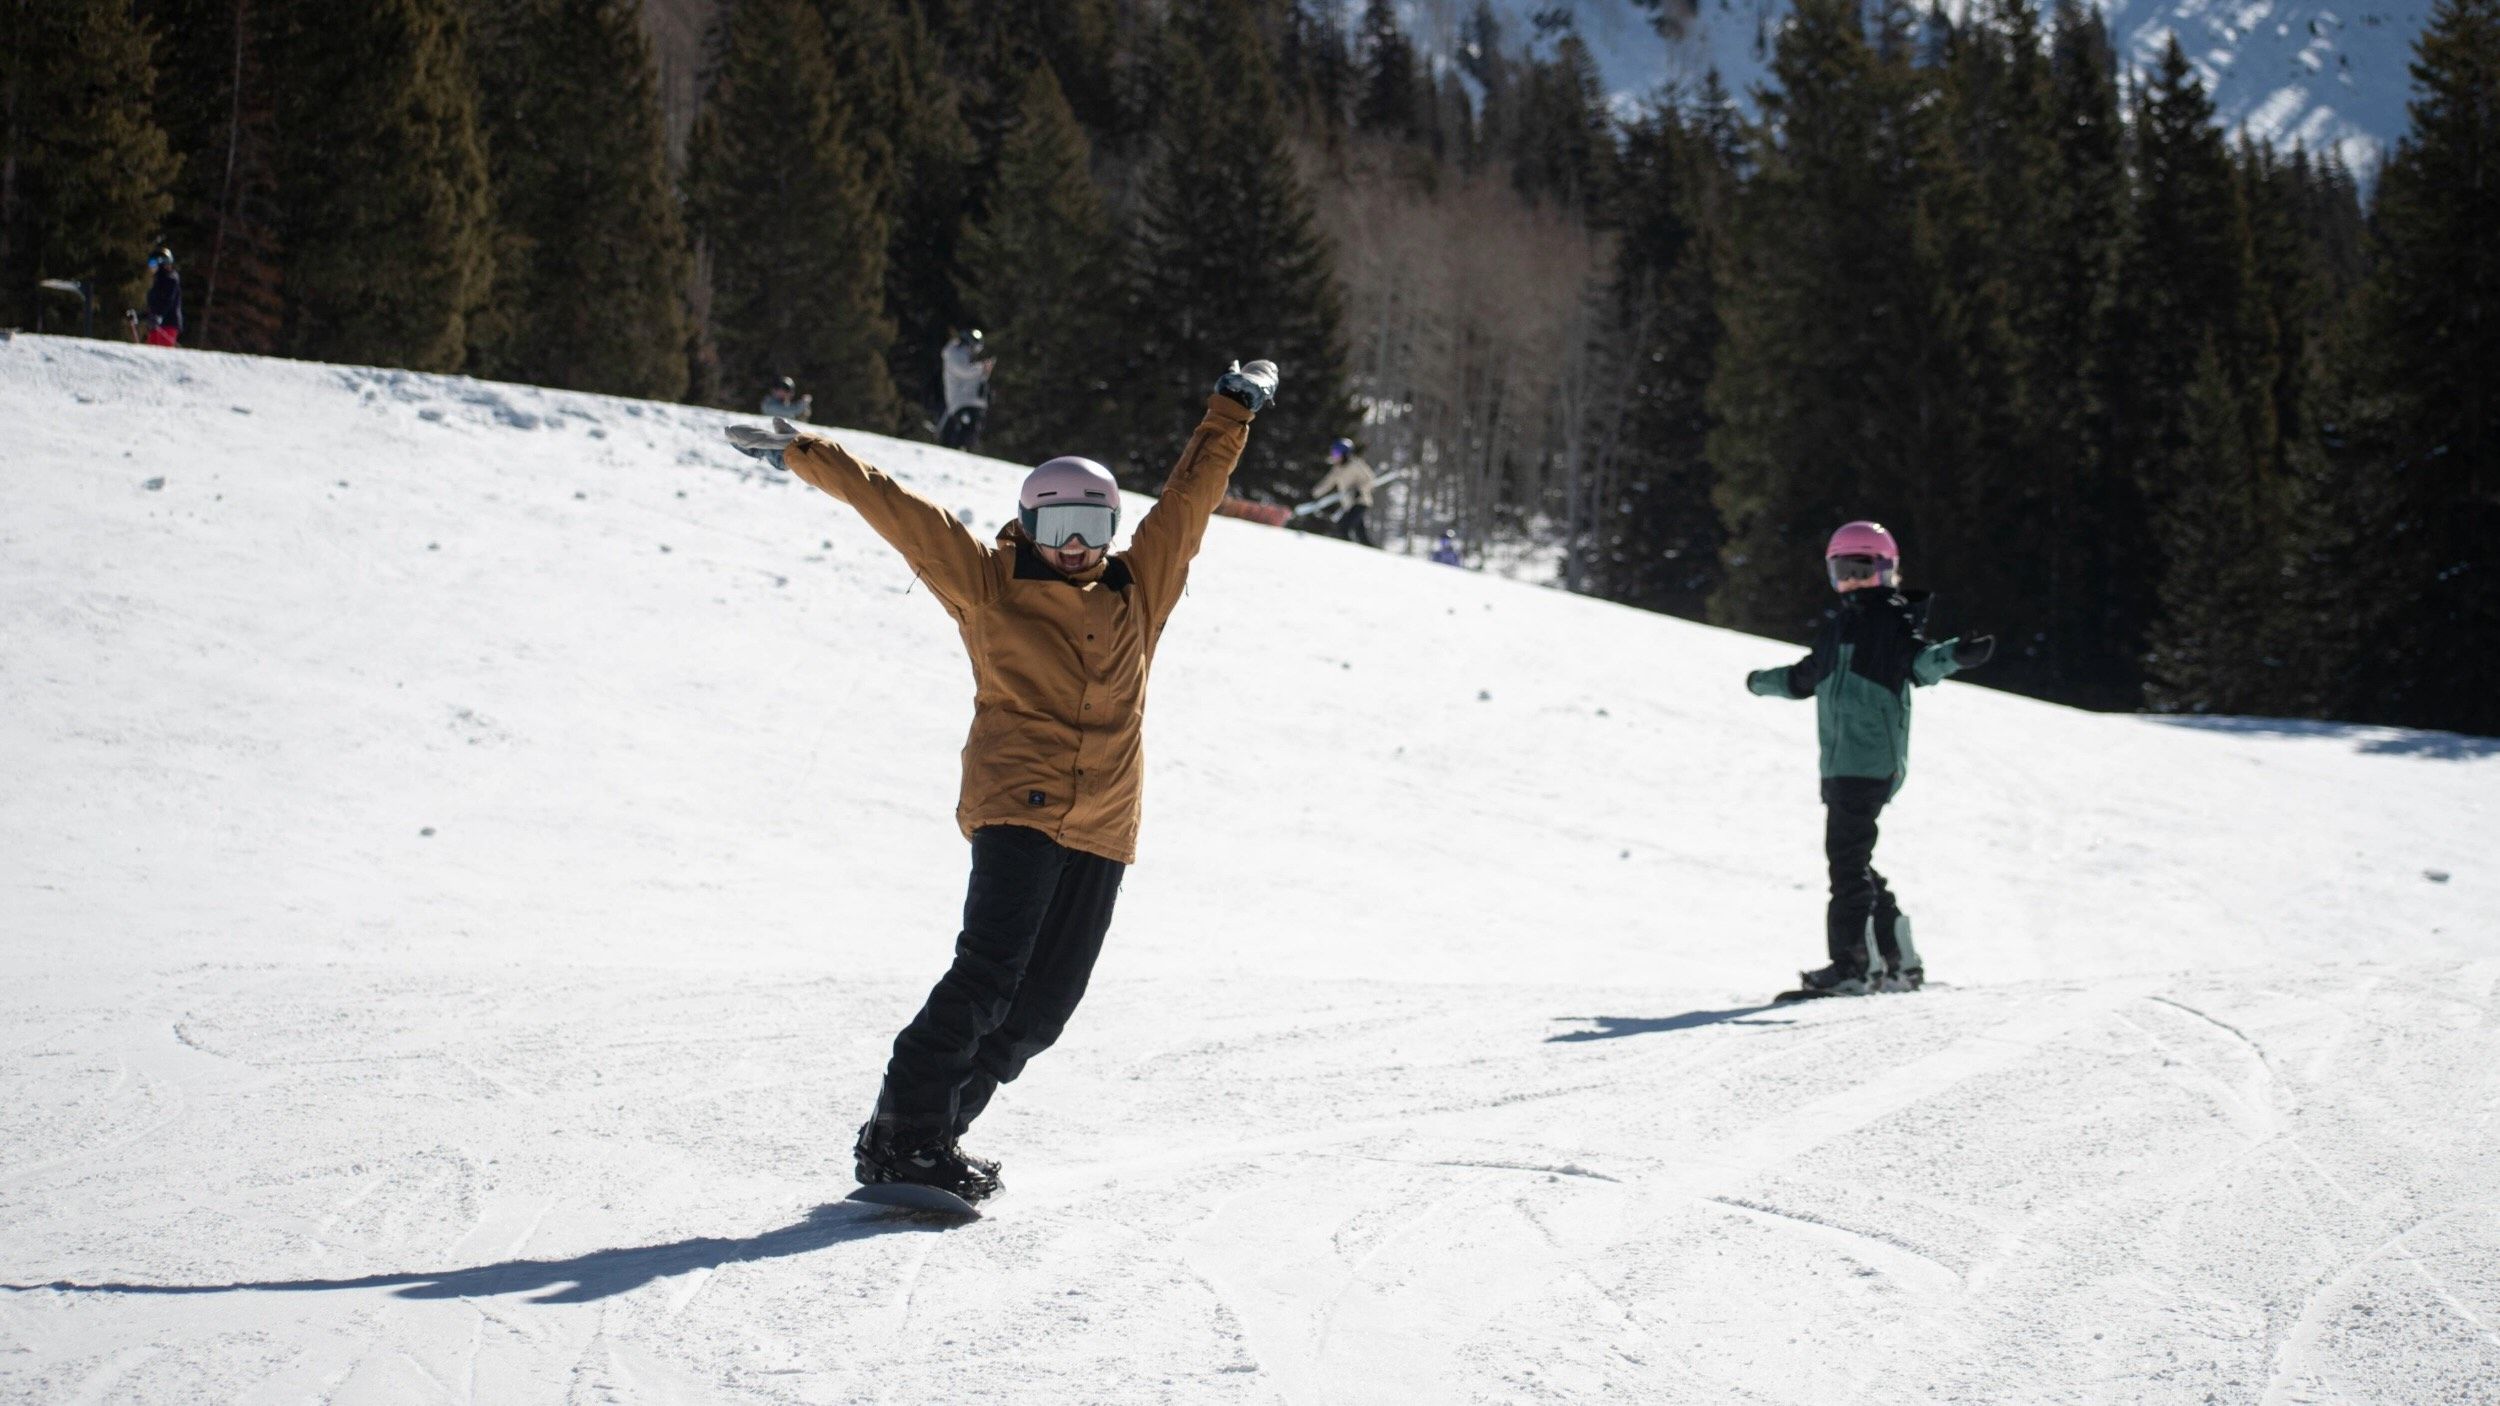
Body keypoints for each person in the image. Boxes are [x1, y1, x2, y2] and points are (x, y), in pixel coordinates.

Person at [725, 357, 1280, 1203]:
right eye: (1058, 526)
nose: (1074, 546)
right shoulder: (990, 582)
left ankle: (931, 1138)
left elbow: (1190, 502)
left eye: (1092, 528)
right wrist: (809, 454)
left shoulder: (1138, 587)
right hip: (1018, 803)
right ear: (1028, 521)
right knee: (989, 972)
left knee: (1043, 1007)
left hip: (1103, 822)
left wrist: (1231, 412)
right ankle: (900, 1133)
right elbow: (902, 515)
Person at [1744, 521, 1994, 996]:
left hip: (1869, 762)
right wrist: (1762, 682)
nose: (1853, 580)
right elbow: (1804, 678)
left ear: (1886, 570)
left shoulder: (1891, 622)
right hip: (1840, 767)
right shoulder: (1838, 628)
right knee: (1857, 861)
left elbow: (1921, 663)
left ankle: (1855, 967)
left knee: (1846, 863)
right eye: (1843, 570)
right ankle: (1898, 960)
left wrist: (1958, 655)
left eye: (1862, 569)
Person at [1309, 437, 1378, 547]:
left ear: (1345, 454)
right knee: (1361, 534)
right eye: (1333, 453)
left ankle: (1348, 551)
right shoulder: (1337, 469)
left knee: (1343, 527)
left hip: (1360, 502)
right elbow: (1327, 483)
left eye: (1336, 453)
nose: (1334, 456)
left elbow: (1370, 480)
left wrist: (1360, 490)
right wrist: (1314, 493)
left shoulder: (1356, 465)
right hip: (1349, 504)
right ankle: (1373, 551)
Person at [938, 328, 993, 450]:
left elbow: (975, 378)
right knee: (963, 428)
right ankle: (957, 447)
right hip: (961, 401)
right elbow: (964, 371)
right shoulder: (955, 354)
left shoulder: (967, 356)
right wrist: (981, 368)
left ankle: (964, 448)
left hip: (972, 401)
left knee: (972, 431)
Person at [142, 247, 181, 348]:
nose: (150, 267)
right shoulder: (158, 282)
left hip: (167, 325)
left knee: (160, 356)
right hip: (157, 326)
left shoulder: (171, 280)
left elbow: (167, 301)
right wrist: (139, 316)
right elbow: (154, 306)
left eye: (152, 263)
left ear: (161, 264)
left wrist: (159, 316)